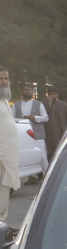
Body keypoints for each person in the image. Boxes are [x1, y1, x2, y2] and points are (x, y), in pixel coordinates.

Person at [0, 70, 19, 221]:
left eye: (6, 78)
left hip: (7, 156)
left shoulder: (4, 100)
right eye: (1, 79)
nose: (5, 82)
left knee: (4, 194)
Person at [14, 82, 49, 164]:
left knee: (42, 157)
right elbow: (11, 119)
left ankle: (46, 175)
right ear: (22, 91)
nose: (27, 91)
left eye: (30, 90)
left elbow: (46, 118)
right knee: (26, 157)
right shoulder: (16, 105)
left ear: (32, 92)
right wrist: (21, 120)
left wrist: (35, 117)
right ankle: (32, 176)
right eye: (25, 89)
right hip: (23, 136)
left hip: (38, 136)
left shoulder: (39, 104)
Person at [43, 88, 67, 155]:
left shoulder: (63, 105)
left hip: (60, 132)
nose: (52, 96)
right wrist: (49, 104)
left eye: (54, 94)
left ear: (57, 95)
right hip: (47, 132)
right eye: (50, 94)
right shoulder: (43, 104)